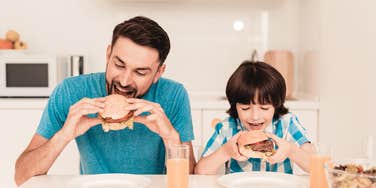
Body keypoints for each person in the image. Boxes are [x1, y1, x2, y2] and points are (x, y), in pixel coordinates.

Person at [14, 16, 195, 185]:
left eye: (140, 72)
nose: (124, 81)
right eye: (119, 65)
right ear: (108, 55)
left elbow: (192, 182)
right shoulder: (71, 92)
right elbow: (22, 177)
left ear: (158, 73)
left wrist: (171, 138)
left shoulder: (173, 95)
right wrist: (64, 135)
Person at [194, 60, 315, 174]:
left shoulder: (287, 123)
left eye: (264, 108)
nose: (255, 116)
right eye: (245, 108)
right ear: (235, 106)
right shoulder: (227, 128)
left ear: (276, 105)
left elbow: (316, 166)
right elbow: (200, 171)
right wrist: (225, 151)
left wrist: (290, 150)